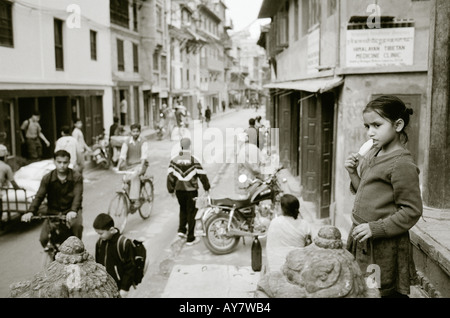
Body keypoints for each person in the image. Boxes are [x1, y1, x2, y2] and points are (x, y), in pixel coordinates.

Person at [344, 95, 422, 298]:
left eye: (376, 125)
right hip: (363, 240)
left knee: (379, 291)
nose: (370, 133)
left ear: (398, 125)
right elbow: (364, 189)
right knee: (364, 289)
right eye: (367, 126)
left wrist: (374, 228)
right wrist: (353, 173)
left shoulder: (401, 164)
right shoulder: (373, 153)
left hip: (381, 247)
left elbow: (412, 210)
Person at [21, 150, 84, 248]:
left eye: (65, 162)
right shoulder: (47, 178)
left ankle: (79, 257)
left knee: (76, 233)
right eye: (59, 162)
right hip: (53, 213)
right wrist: (31, 212)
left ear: (69, 162)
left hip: (71, 212)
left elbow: (78, 195)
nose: (62, 165)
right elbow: (39, 196)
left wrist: (73, 211)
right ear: (54, 162)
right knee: (44, 239)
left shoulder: (76, 177)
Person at [167, 137, 210, 245]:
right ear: (190, 146)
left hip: (179, 190)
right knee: (192, 211)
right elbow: (202, 175)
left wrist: (171, 189)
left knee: (182, 208)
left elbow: (170, 176)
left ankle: (181, 230)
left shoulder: (174, 160)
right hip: (191, 190)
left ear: (181, 146)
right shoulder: (194, 159)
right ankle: (191, 238)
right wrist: (207, 188)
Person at [266, 194, 312, 272]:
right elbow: (309, 249)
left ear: (283, 209)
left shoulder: (275, 222)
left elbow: (270, 248)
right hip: (297, 267)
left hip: (276, 267)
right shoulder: (305, 224)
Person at [93, 213, 135, 298]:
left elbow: (130, 267)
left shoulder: (124, 244)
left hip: (119, 286)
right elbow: (97, 262)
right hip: (104, 284)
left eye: (101, 233)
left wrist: (125, 288)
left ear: (111, 230)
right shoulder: (100, 243)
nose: (99, 236)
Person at [116, 123, 148, 212]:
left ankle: (136, 200)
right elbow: (122, 156)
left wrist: (141, 167)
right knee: (125, 180)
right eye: (133, 131)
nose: (135, 133)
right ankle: (131, 199)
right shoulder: (126, 142)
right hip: (130, 166)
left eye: (137, 131)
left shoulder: (143, 141)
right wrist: (117, 167)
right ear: (131, 132)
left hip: (141, 164)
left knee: (134, 176)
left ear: (140, 132)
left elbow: (144, 156)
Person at [235, 132, 267, 198]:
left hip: (247, 184)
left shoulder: (242, 152)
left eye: (238, 142)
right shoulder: (255, 148)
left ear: (241, 142)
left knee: (245, 205)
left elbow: (252, 168)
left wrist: (258, 172)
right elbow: (263, 162)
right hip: (258, 183)